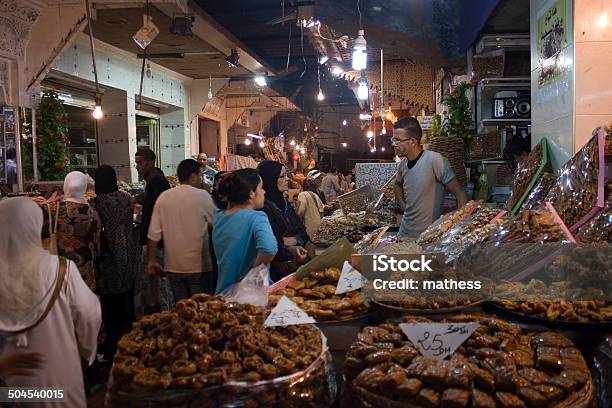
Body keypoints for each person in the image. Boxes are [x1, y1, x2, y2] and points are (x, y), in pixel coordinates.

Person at [0, 197, 101, 407]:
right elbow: (89, 314)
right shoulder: (60, 269)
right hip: (59, 383)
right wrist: (87, 352)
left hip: (10, 387)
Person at [148, 159, 216, 300]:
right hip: (199, 267)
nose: (201, 179)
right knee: (202, 310)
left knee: (182, 309)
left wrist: (151, 260)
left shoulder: (164, 197)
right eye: (200, 175)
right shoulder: (202, 196)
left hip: (173, 266)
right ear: (193, 176)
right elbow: (217, 225)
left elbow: (153, 233)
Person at [392, 117, 468, 238]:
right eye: (393, 139)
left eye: (397, 140)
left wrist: (460, 228)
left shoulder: (435, 160)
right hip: (404, 234)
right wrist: (402, 204)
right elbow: (397, 185)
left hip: (428, 238)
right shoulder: (402, 165)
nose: (394, 144)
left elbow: (460, 194)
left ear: (412, 141)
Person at [92, 165, 138, 361]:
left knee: (111, 306)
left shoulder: (98, 203)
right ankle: (132, 343)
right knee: (127, 302)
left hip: (109, 258)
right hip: (127, 254)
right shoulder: (126, 198)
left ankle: (113, 348)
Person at [213, 169, 277, 292]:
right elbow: (269, 248)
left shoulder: (218, 217)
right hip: (251, 294)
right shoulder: (257, 218)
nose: (264, 192)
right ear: (251, 193)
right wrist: (253, 272)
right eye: (261, 188)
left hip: (224, 291)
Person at [42, 171, 101, 291]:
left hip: (59, 275)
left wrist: (47, 203)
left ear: (66, 186)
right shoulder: (94, 214)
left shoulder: (52, 209)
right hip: (85, 278)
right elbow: (96, 247)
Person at [257, 160, 308, 281]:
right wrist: (283, 245)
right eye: (282, 176)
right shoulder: (262, 208)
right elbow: (270, 245)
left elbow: (303, 232)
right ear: (270, 178)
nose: (287, 179)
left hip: (291, 264)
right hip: (271, 273)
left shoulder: (284, 203)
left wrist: (292, 240)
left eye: (286, 175)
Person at [134, 148, 171, 313]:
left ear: (150, 162)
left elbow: (160, 215)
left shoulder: (157, 182)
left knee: (157, 288)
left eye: (140, 163)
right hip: (156, 243)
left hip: (157, 245)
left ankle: (164, 320)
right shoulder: (154, 181)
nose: (137, 167)